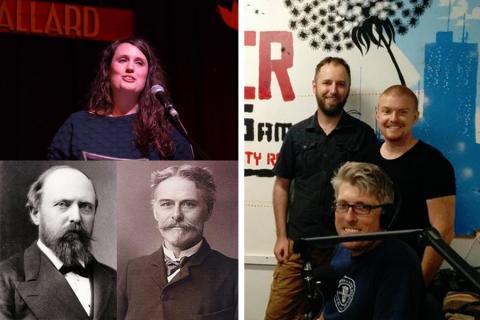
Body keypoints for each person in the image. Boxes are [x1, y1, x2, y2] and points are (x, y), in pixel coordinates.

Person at [265, 57, 378, 319]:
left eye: (340, 84)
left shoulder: (362, 135)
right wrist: (282, 236)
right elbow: (282, 186)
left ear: (348, 89)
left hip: (344, 249)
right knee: (277, 315)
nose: (333, 90)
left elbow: (372, 193)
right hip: (297, 246)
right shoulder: (297, 134)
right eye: (327, 83)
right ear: (315, 85)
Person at [120, 165, 237, 320]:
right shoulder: (132, 271)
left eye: (189, 204)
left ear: (208, 210)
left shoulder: (233, 273)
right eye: (166, 204)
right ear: (155, 211)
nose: (176, 215)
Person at [0, 166, 116, 319]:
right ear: (35, 214)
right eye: (63, 204)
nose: (76, 217)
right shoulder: (5, 278)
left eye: (85, 207)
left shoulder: (114, 278)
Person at [48, 37, 193, 160]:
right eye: (123, 60)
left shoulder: (165, 131)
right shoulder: (78, 125)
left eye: (139, 63)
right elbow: (53, 176)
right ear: (108, 70)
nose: (130, 67)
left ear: (148, 75)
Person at [321, 161, 425, 320]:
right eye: (342, 205)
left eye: (362, 207)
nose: (349, 218)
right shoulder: (342, 248)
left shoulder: (398, 263)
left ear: (385, 215)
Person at [374, 85, 456, 285]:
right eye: (387, 111)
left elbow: (443, 232)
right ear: (377, 114)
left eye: (403, 112)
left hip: (409, 271)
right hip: (370, 269)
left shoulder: (433, 163)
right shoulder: (366, 158)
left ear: (415, 116)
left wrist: (418, 285)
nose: (393, 118)